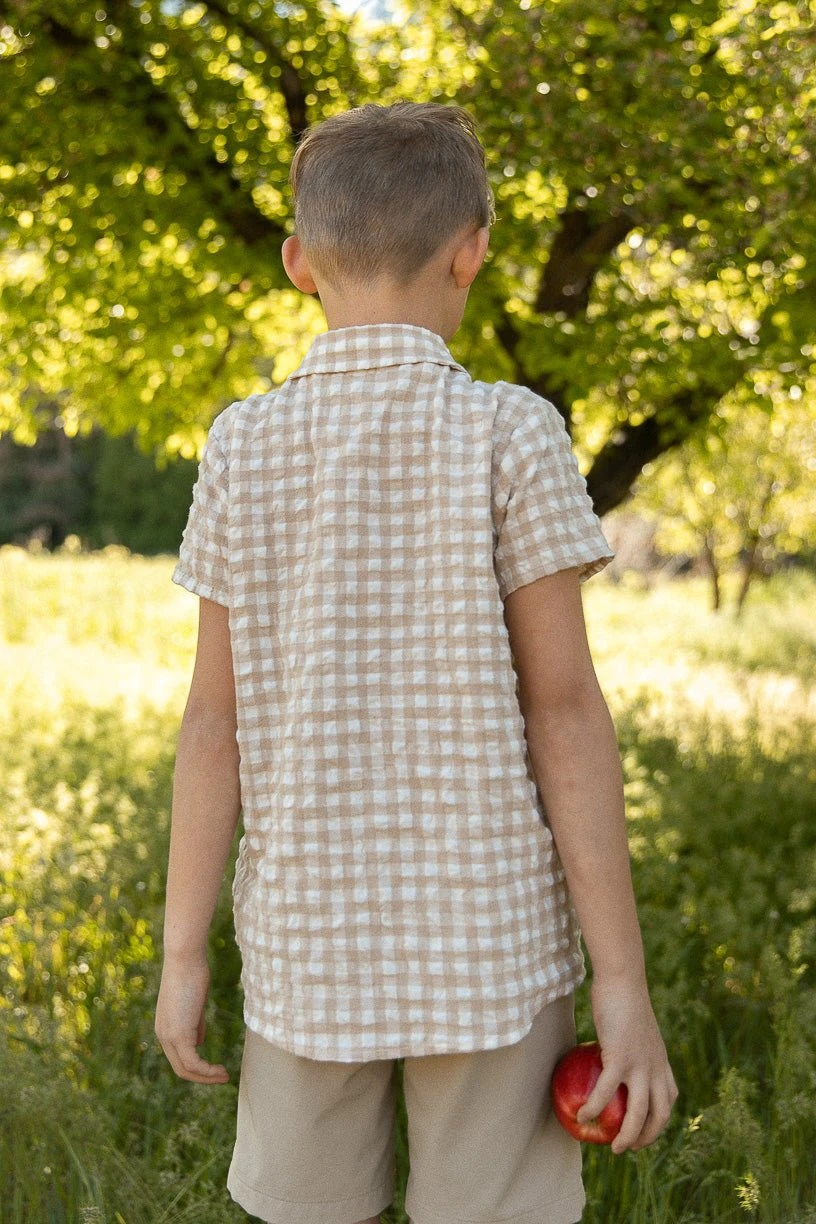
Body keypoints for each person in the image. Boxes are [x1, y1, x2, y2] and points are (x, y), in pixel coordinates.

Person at [154, 100, 678, 1224]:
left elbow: (213, 723)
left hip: (307, 948)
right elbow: (567, 711)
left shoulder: (243, 444)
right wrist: (621, 985)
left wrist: (183, 951)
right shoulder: (512, 430)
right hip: (487, 947)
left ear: (300, 263)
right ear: (473, 251)